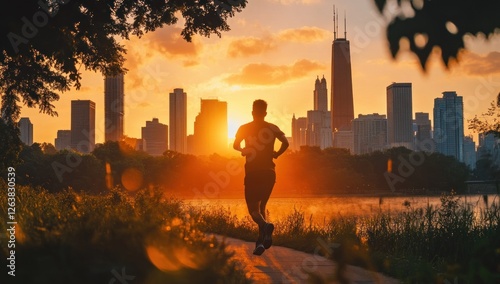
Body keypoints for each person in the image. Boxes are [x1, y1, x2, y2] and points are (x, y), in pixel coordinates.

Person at [233, 99, 289, 255]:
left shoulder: (244, 128)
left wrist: (243, 149)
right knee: (261, 207)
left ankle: (264, 227)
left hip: (253, 173)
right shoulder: (272, 127)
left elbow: (235, 145)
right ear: (265, 113)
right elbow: (285, 142)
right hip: (269, 173)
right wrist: (276, 153)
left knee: (253, 211)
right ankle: (261, 242)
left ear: (252, 112)